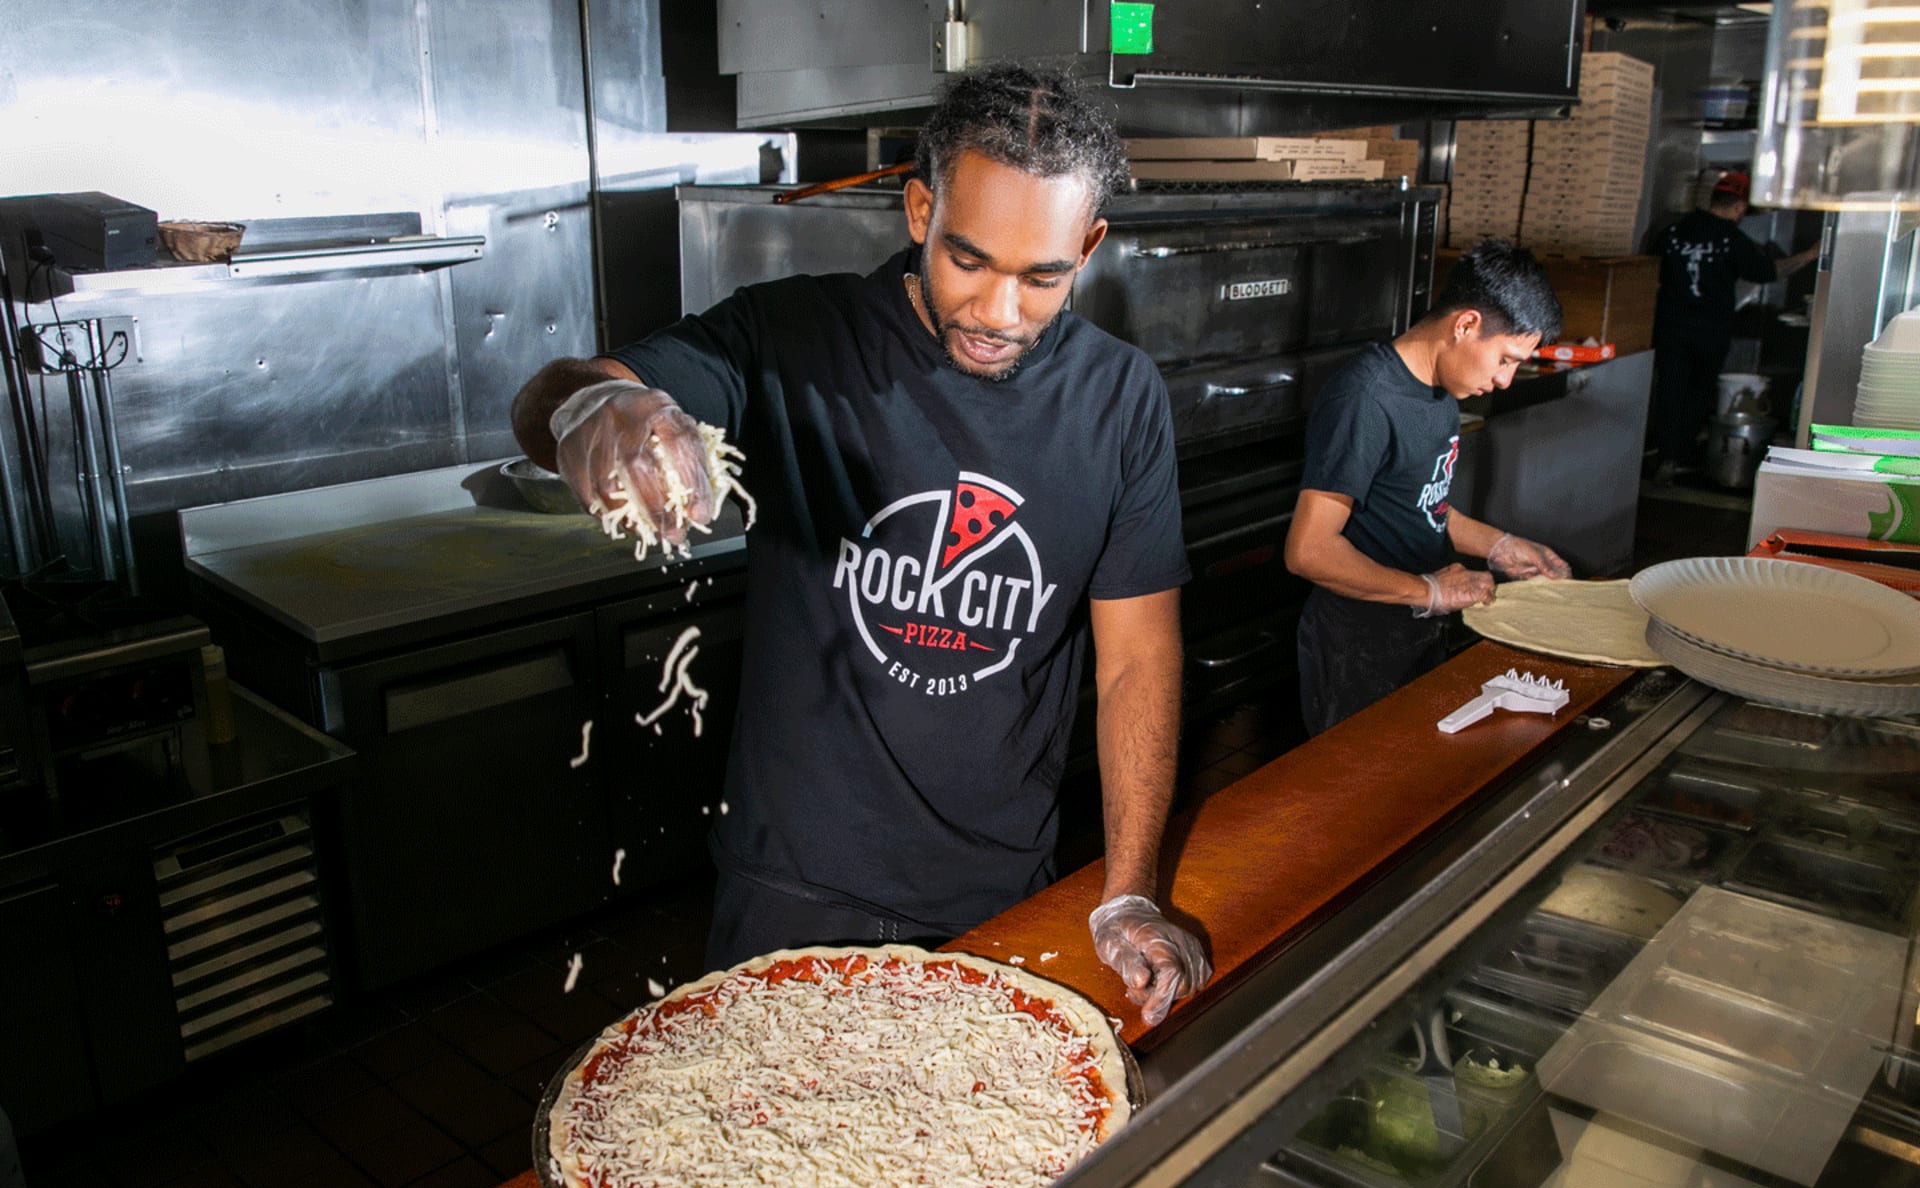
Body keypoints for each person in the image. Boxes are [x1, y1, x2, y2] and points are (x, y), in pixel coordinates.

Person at [510, 65, 1209, 1026]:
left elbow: (1137, 658)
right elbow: (561, 393)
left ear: (1087, 246)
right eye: (969, 261)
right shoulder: (792, 337)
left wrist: (1127, 889)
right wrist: (592, 407)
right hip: (792, 891)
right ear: (920, 209)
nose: (1000, 312)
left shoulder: (1120, 399)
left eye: (1041, 276)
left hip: (999, 887)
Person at [1284, 241, 1571, 736]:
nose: (1506, 380)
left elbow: (1421, 504)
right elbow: (1308, 551)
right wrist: (1430, 590)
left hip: (1416, 630)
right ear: (1465, 325)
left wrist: (1500, 545)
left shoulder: (1442, 392)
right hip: (1357, 646)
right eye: (1505, 359)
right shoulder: (1366, 399)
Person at [1646, 170, 1820, 482]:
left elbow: (1650, 275)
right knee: (1698, 393)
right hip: (1709, 333)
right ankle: (1679, 457)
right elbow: (1768, 272)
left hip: (1669, 328)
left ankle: (1665, 457)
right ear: (1738, 207)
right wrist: (1809, 255)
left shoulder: (1673, 232)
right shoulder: (1733, 240)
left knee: (1669, 391)